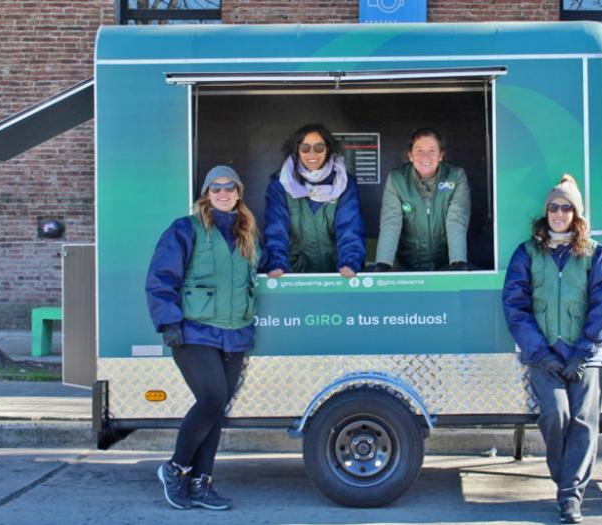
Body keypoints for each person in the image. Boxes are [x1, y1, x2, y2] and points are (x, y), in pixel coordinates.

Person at [502, 174, 602, 524]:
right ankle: (565, 478)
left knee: (584, 420)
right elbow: (515, 306)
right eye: (553, 207)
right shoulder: (527, 252)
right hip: (544, 354)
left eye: (566, 208)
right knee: (555, 414)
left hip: (586, 354)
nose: (559, 213)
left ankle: (570, 497)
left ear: (576, 214)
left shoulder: (596, 254)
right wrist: (540, 352)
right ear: (546, 212)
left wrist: (584, 351)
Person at [145, 165, 261, 511]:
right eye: (215, 188)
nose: (223, 193)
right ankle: (175, 468)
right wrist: (170, 323)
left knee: (217, 409)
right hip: (195, 331)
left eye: (229, 187)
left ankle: (201, 482)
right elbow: (161, 277)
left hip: (235, 334)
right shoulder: (186, 229)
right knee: (210, 399)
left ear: (239, 192)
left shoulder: (248, 234)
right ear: (206, 194)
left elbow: (259, 270)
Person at [263, 123, 366, 277]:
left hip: (337, 273)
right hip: (292, 273)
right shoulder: (280, 184)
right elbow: (276, 230)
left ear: (328, 149)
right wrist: (277, 264)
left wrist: (349, 263)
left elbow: (350, 228)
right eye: (305, 148)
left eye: (319, 147)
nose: (312, 153)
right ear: (296, 150)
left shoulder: (344, 183)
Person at [371, 128, 471, 271]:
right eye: (419, 150)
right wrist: (383, 263)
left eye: (432, 150)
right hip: (408, 265)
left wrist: (458, 261)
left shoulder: (456, 176)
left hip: (445, 264)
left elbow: (456, 220)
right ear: (410, 155)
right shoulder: (397, 179)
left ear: (441, 155)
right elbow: (391, 223)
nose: (426, 156)